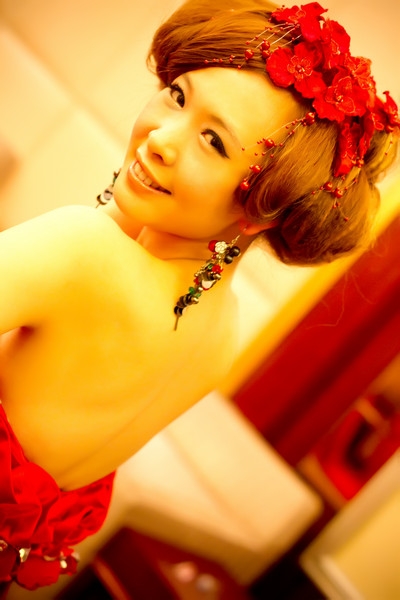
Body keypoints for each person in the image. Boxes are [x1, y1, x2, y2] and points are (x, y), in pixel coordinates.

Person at [0, 0, 398, 592]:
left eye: (213, 141)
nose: (162, 138)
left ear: (263, 208)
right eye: (178, 95)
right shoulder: (218, 338)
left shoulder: (81, 252)